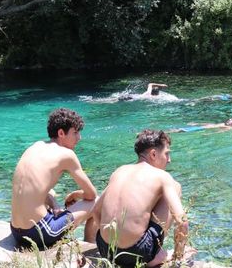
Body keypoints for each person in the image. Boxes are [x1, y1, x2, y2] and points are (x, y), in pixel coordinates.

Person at [92, 130, 191, 268]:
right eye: (167, 153)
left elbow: (95, 210)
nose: (169, 160)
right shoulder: (161, 176)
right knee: (175, 186)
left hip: (105, 249)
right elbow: (182, 222)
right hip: (137, 252)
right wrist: (178, 258)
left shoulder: (120, 171)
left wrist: (107, 238)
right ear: (153, 154)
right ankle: (156, 256)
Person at [10, 108, 98, 250]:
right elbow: (91, 194)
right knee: (96, 202)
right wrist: (75, 195)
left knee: (51, 192)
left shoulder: (35, 146)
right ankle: (90, 248)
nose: (79, 138)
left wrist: (55, 204)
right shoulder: (67, 154)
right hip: (39, 233)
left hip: (16, 231)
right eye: (75, 132)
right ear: (61, 133)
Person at [167, 116, 232, 133]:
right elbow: (210, 124)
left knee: (180, 130)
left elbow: (219, 132)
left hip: (201, 129)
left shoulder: (229, 128)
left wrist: (209, 134)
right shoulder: (223, 123)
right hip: (200, 126)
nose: (230, 119)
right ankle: (164, 132)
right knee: (178, 129)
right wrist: (196, 123)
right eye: (231, 118)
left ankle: (164, 132)